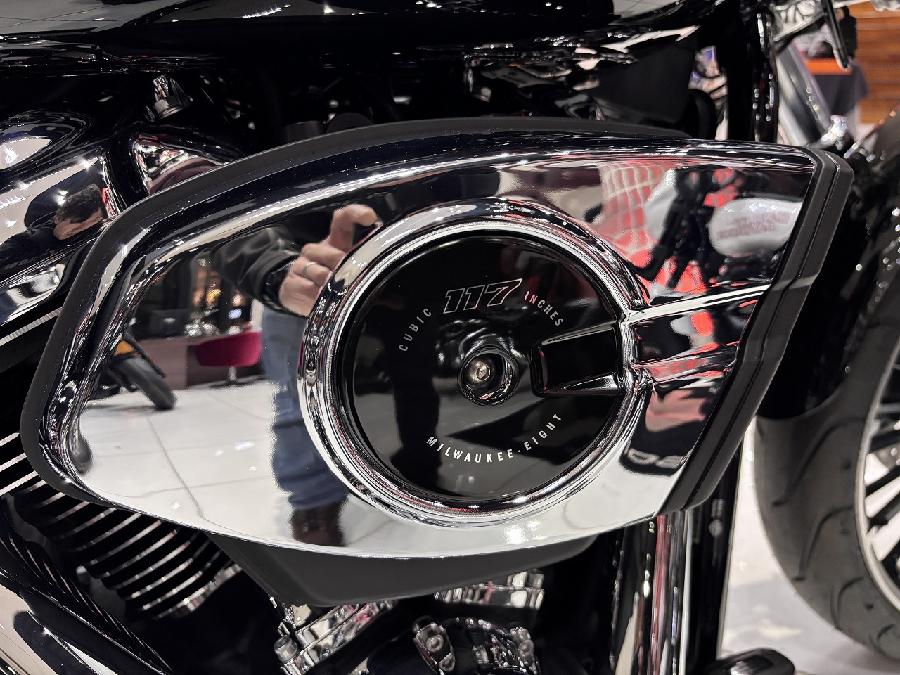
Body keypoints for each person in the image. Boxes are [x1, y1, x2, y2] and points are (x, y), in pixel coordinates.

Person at [215, 205, 379, 544]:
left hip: (412, 272)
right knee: (303, 400)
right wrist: (276, 268)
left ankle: (405, 479)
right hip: (313, 275)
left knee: (406, 389)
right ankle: (314, 503)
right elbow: (227, 205)